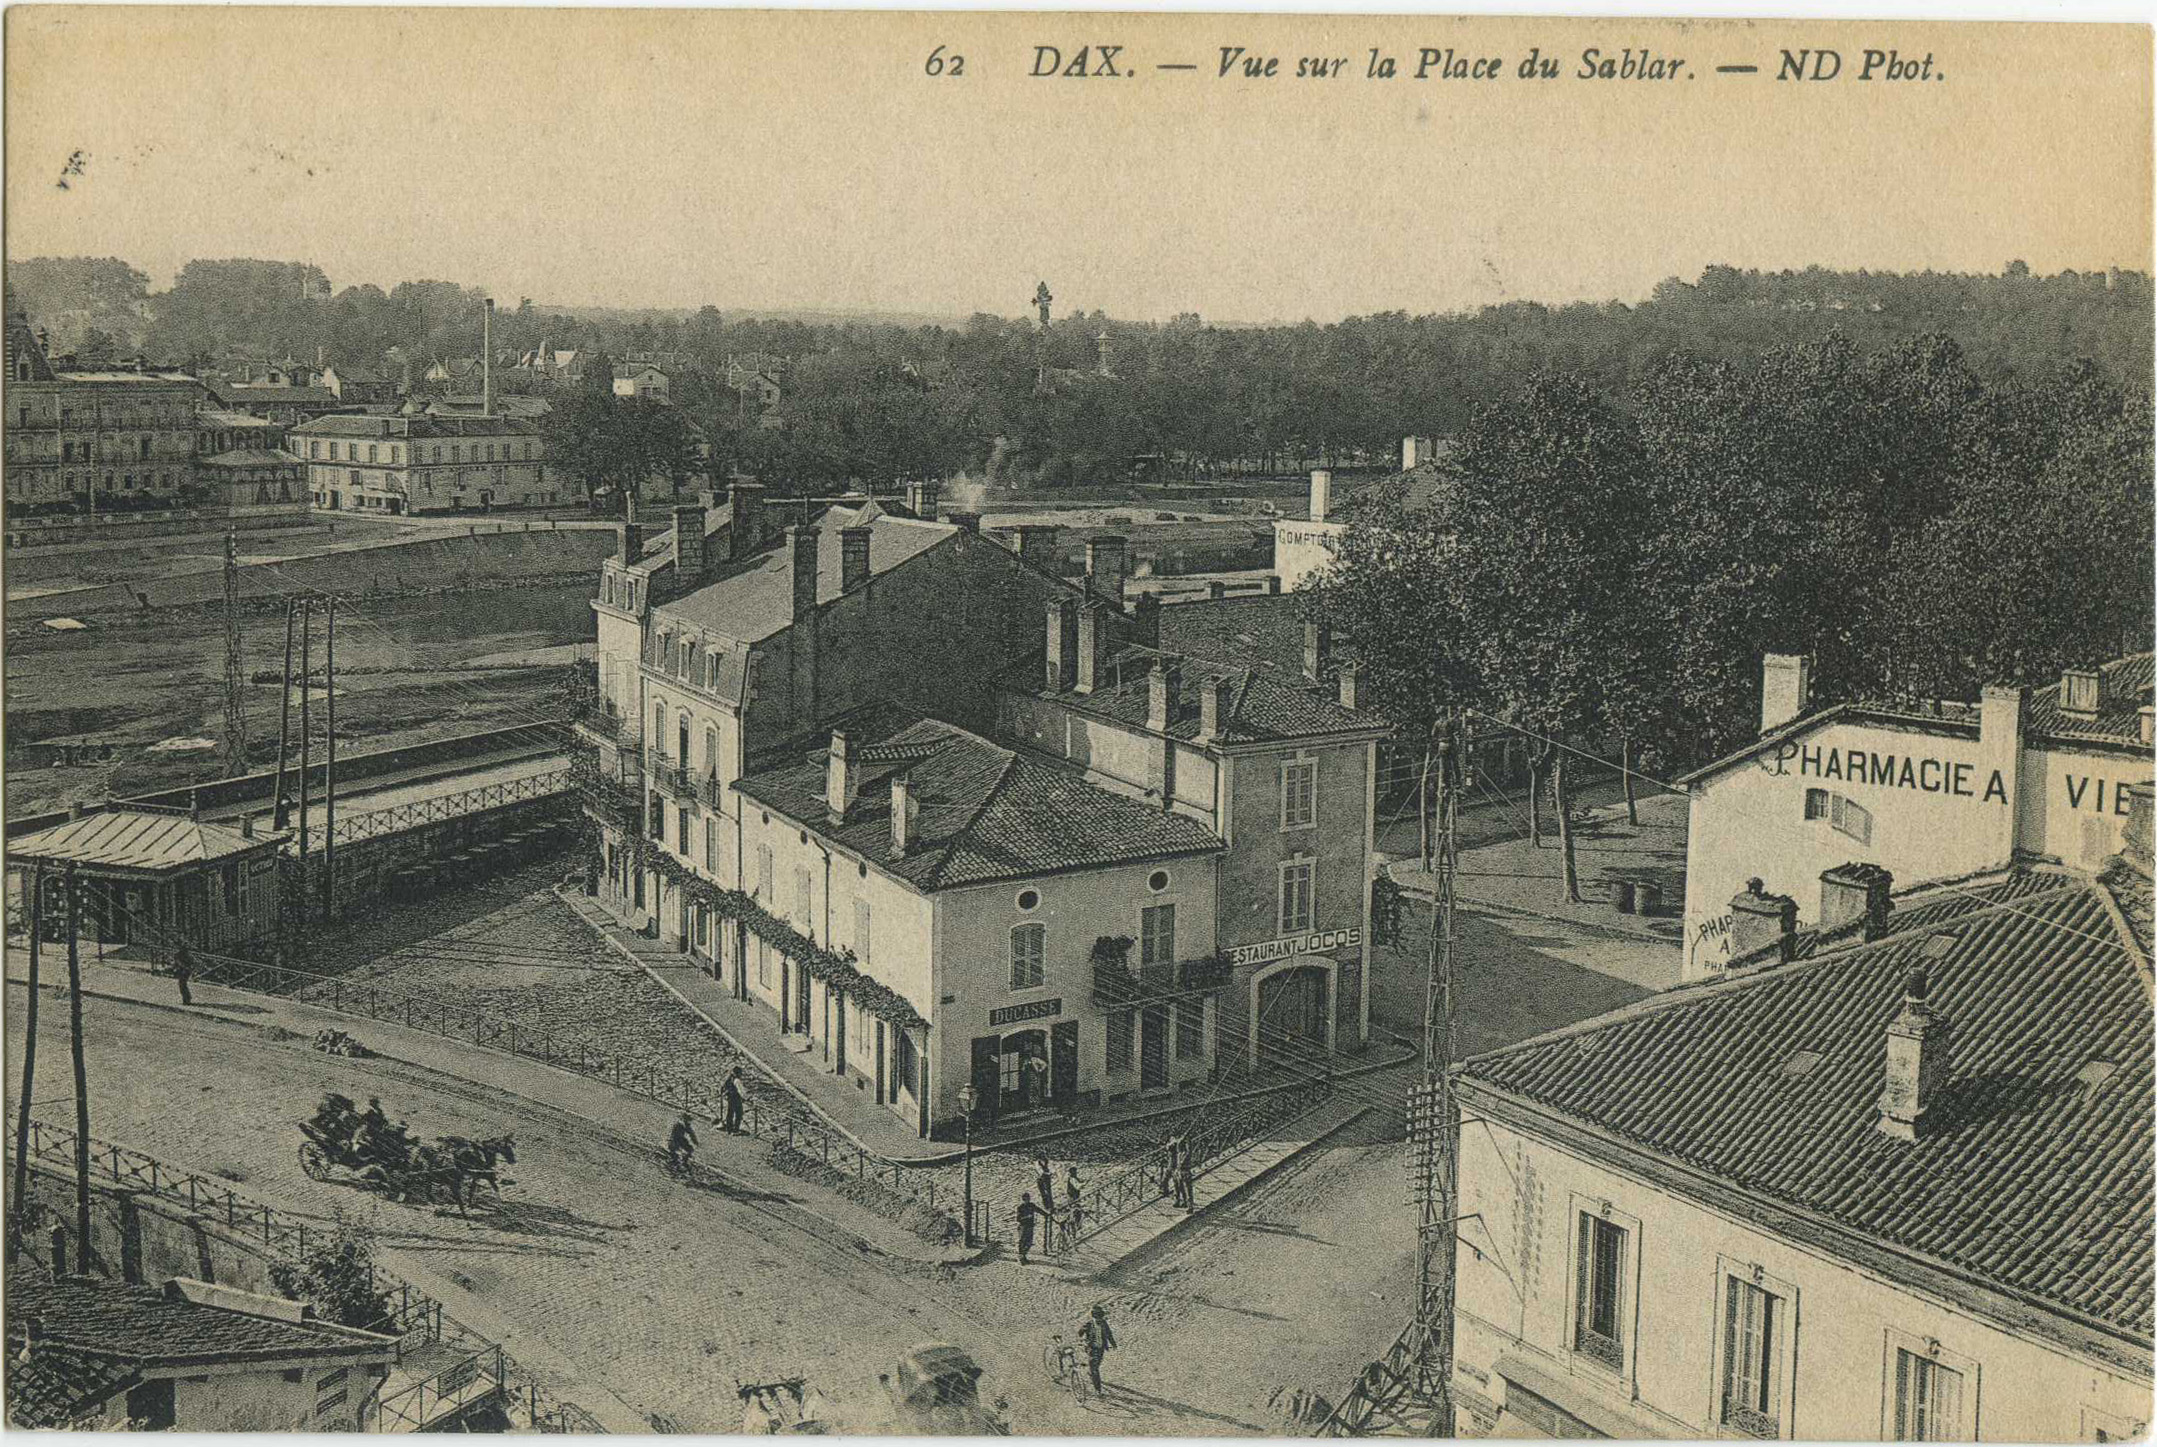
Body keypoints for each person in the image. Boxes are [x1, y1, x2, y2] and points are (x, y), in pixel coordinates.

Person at [1078, 1304, 1117, 1392]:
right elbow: (1080, 1332)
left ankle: (1091, 1373)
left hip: (1101, 1348)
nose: (1100, 1319)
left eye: (1101, 1317)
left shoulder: (1103, 1323)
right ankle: (1098, 1389)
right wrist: (1083, 1340)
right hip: (1092, 1349)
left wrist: (1113, 1344)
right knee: (1095, 1369)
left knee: (1097, 1365)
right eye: (1098, 1317)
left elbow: (1109, 1333)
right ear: (1094, 1317)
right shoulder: (1088, 1324)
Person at [1015, 1191, 1039, 1265]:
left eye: (1028, 1198)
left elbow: (1039, 1210)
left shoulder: (1032, 1205)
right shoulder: (1020, 1208)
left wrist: (1047, 1214)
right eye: (1026, 1199)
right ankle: (1021, 1259)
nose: (1027, 1200)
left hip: (1030, 1226)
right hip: (1023, 1227)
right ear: (1023, 1199)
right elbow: (1018, 1219)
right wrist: (1026, 1217)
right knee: (1022, 1242)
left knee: (1029, 1243)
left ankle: (1024, 1256)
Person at [722, 1067, 745, 1134]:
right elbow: (741, 1091)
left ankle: (729, 1128)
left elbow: (724, 1086)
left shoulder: (729, 1079)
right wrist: (746, 1098)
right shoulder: (737, 1080)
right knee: (739, 1114)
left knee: (730, 1113)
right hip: (736, 1099)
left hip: (730, 1098)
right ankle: (736, 1130)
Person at [1174, 1141, 1196, 1210]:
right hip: (1179, 1172)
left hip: (1185, 1172)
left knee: (1188, 1189)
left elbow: (1190, 1150)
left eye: (1178, 1146)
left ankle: (1190, 1206)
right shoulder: (1179, 1154)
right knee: (1179, 1187)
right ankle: (1182, 1201)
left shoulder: (1186, 1154)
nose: (1177, 1148)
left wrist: (1187, 1141)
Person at [1034, 1153, 1056, 1217]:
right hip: (1040, 1180)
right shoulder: (1037, 1163)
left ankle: (1051, 1207)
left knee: (1049, 1192)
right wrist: (1048, 1172)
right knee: (1043, 1193)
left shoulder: (1048, 1162)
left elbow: (1052, 1169)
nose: (1043, 1158)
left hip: (1047, 1179)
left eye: (1044, 1156)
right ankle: (1046, 1206)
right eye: (1041, 1157)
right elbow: (1040, 1172)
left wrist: (1050, 1172)